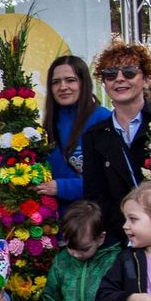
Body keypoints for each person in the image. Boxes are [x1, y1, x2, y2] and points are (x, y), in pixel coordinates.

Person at [83, 41, 151, 242]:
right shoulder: (94, 135)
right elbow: (96, 196)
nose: (119, 79)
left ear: (146, 79)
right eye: (110, 74)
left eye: (129, 72)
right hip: (122, 240)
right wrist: (131, 228)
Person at [40, 56, 112, 215]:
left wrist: (61, 187)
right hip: (59, 224)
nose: (63, 87)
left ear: (83, 83)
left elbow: (109, 179)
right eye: (56, 82)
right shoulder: (47, 126)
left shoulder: (103, 119)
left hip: (95, 221)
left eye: (70, 80)